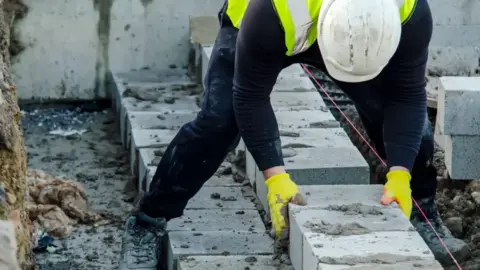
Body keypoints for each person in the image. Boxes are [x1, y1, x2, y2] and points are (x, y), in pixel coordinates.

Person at [119, 0, 470, 268]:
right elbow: (249, 96)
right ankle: (148, 220)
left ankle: (423, 211)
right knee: (218, 121)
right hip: (260, 28)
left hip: (357, 34)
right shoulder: (274, 11)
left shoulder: (408, 11)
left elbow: (407, 96)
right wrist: (275, 178)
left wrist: (400, 174)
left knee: (406, 124)